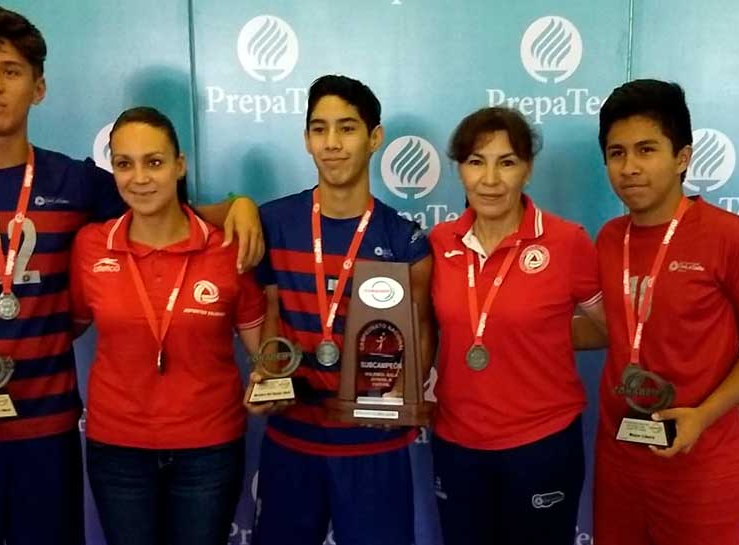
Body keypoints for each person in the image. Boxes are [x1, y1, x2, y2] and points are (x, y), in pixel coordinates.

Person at [0, 5, 262, 545]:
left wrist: (239, 205)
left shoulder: (76, 182)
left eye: (11, 71)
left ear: (38, 88)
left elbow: (165, 209)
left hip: (46, 429)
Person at [591, 79, 739, 545]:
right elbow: (611, 327)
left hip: (701, 461)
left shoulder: (732, 238)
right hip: (619, 456)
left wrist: (705, 414)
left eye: (646, 150)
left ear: (682, 157)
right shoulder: (608, 238)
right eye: (617, 153)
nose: (630, 167)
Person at [245, 74, 435, 545]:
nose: (332, 143)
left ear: (375, 137)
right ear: (307, 139)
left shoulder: (403, 238)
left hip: (374, 447)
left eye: (347, 128)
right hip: (292, 443)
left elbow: (421, 333)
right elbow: (269, 313)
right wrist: (266, 375)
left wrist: (402, 396)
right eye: (320, 129)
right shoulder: (272, 223)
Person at [69, 106, 265, 545]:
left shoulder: (226, 248)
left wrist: (270, 379)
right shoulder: (90, 246)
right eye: (125, 164)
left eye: (154, 162)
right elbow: (64, 328)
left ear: (179, 165)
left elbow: (265, 353)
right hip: (118, 450)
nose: (139, 178)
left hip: (208, 449)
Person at [427, 106, 605, 544]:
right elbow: (421, 332)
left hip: (541, 444)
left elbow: (612, 329)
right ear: (459, 169)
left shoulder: (566, 241)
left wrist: (540, 336)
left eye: (506, 162)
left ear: (528, 169)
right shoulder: (439, 243)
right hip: (457, 442)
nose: (490, 179)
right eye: (476, 162)